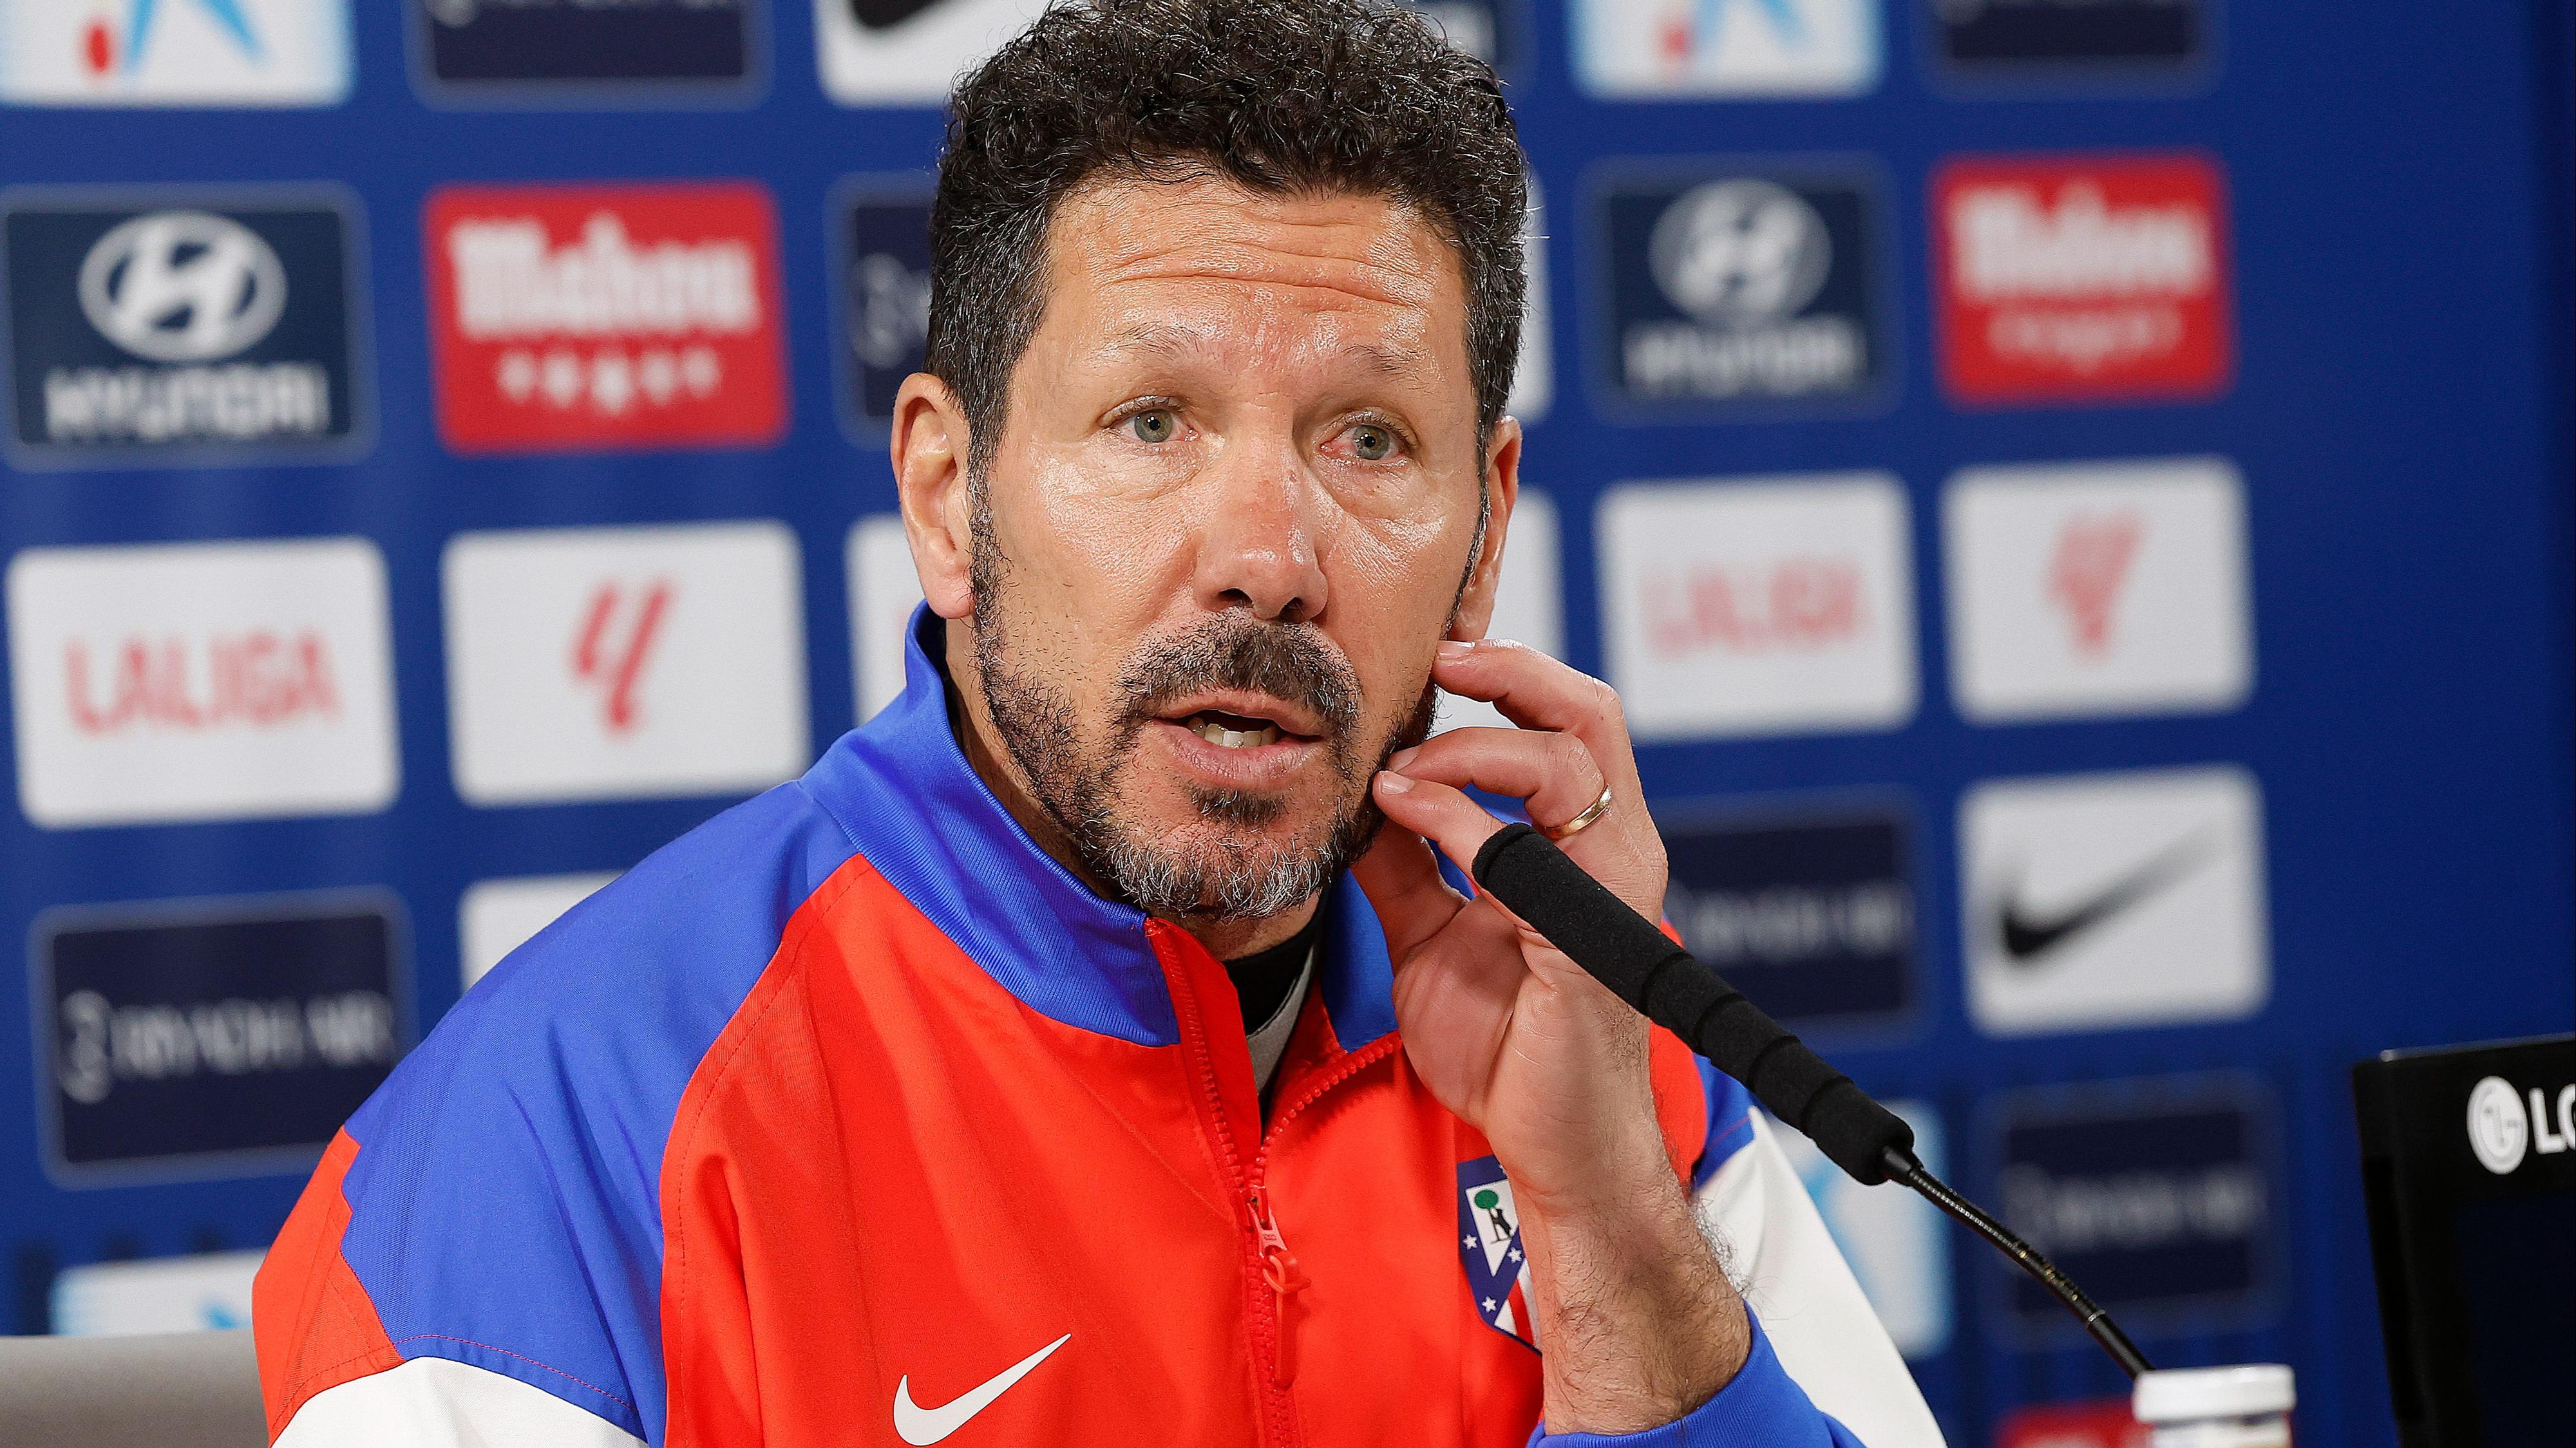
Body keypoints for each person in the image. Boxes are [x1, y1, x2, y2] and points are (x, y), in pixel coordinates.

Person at [253, 2, 1945, 1443]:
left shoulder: (1599, 1034)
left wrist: (1601, 1214)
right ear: (948, 494)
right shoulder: (561, 1140)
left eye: (1367, 439)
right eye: (1152, 421)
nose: (1268, 558)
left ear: (1485, 533)